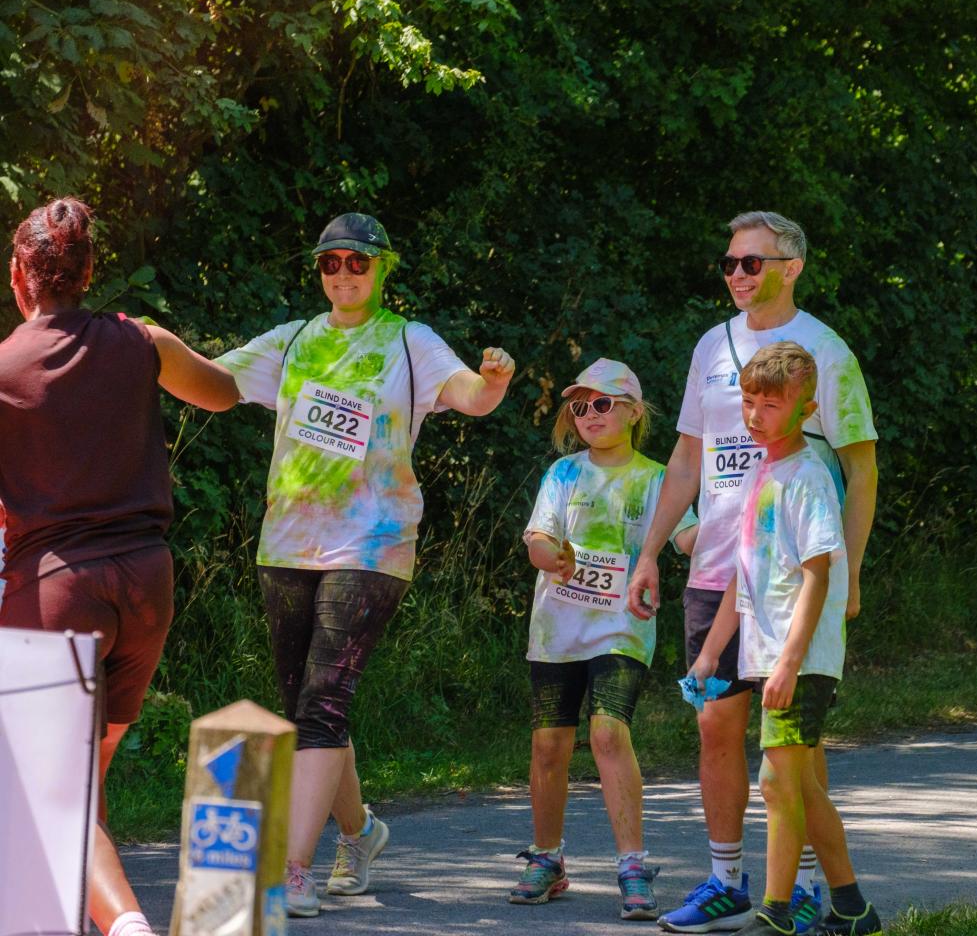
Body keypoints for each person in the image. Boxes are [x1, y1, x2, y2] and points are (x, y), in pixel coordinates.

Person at [215, 213, 516, 916]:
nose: (344, 273)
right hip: (286, 543)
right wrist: (143, 345)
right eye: (330, 263)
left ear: (385, 267)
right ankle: (360, 832)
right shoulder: (291, 340)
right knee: (306, 707)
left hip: (374, 544)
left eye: (358, 262)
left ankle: (292, 871)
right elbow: (211, 379)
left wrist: (494, 381)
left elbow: (469, 395)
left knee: (322, 704)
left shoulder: (410, 340)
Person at [628, 212, 877, 933]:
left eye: (753, 263)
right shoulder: (712, 345)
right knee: (715, 725)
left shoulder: (826, 352)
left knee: (792, 751)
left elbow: (860, 472)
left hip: (791, 582)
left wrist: (850, 575)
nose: (738, 275)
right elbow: (685, 456)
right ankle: (727, 881)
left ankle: (798, 891)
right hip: (721, 570)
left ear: (791, 267)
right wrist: (649, 551)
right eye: (730, 263)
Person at [0, 197, 240, 936]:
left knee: (52, 799)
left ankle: (129, 927)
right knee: (79, 788)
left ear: (19, 276)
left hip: (55, 593)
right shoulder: (143, 341)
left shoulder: (5, 367)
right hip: (146, 589)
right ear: (90, 272)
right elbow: (224, 394)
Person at [690, 342, 881, 936]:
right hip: (764, 652)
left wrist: (790, 662)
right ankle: (853, 909)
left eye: (770, 405)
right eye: (748, 402)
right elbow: (741, 578)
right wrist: (710, 651)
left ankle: (775, 911)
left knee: (776, 780)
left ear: (806, 411)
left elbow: (820, 572)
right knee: (800, 783)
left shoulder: (807, 477)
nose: (755, 415)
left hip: (800, 657)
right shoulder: (760, 472)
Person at [511, 358, 695, 920]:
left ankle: (633, 866)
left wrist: (738, 514)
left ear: (635, 412)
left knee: (609, 733)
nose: (589, 414)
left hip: (622, 628)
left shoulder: (661, 477)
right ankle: (548, 859)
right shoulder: (562, 474)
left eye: (603, 403)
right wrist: (548, 555)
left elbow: (689, 540)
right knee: (549, 746)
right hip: (556, 631)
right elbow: (538, 540)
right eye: (580, 405)